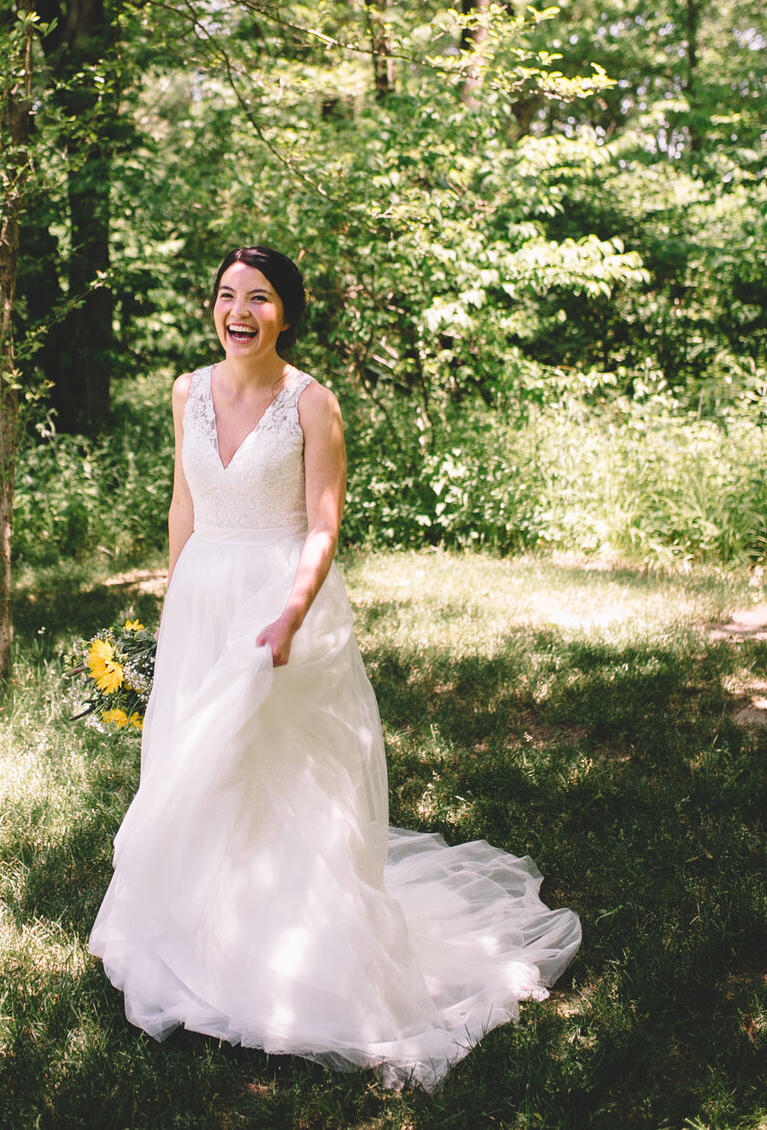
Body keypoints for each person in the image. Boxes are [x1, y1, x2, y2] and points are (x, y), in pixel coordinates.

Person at [89, 246, 581, 1091]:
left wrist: (289, 614)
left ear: (287, 311)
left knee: (282, 779)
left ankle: (292, 956)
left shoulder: (312, 402)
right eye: (225, 296)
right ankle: (197, 934)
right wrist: (174, 606)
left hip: (282, 605)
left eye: (260, 298)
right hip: (204, 597)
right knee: (196, 771)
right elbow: (183, 502)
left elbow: (323, 525)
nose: (238, 311)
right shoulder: (186, 392)